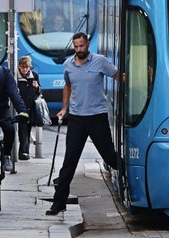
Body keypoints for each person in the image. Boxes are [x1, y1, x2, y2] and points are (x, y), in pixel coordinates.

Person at [46, 32, 120, 216]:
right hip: (77, 119)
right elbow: (68, 85)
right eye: (76, 47)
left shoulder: (100, 61)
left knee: (110, 157)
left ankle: (135, 180)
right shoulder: (68, 65)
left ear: (87, 44)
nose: (79, 50)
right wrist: (64, 107)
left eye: (82, 46)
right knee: (69, 162)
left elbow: (118, 75)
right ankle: (59, 203)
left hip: (97, 117)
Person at [0, 45, 29, 173]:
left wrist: (22, 111)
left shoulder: (4, 74)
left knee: (9, 129)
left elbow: (14, 94)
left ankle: (6, 155)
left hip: (1, 109)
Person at [16, 56, 41, 160]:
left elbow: (39, 92)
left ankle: (25, 151)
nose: (25, 69)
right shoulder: (15, 77)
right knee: (23, 130)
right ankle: (23, 152)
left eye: (27, 67)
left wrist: (37, 87)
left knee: (28, 128)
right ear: (19, 66)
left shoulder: (34, 76)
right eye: (22, 67)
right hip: (21, 107)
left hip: (31, 107)